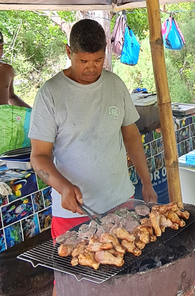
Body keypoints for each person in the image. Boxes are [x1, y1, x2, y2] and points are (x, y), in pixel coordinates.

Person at [29, 19, 157, 238]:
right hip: (74, 211)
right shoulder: (50, 94)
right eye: (83, 61)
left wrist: (146, 181)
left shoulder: (115, 85)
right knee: (75, 270)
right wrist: (64, 187)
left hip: (120, 202)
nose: (91, 68)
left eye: (98, 60)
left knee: (128, 266)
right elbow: (39, 156)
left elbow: (132, 136)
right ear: (68, 51)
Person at [0, 28, 30, 108]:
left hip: (2, 118)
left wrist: (32, 111)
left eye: (1, 48)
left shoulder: (7, 70)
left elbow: (11, 97)